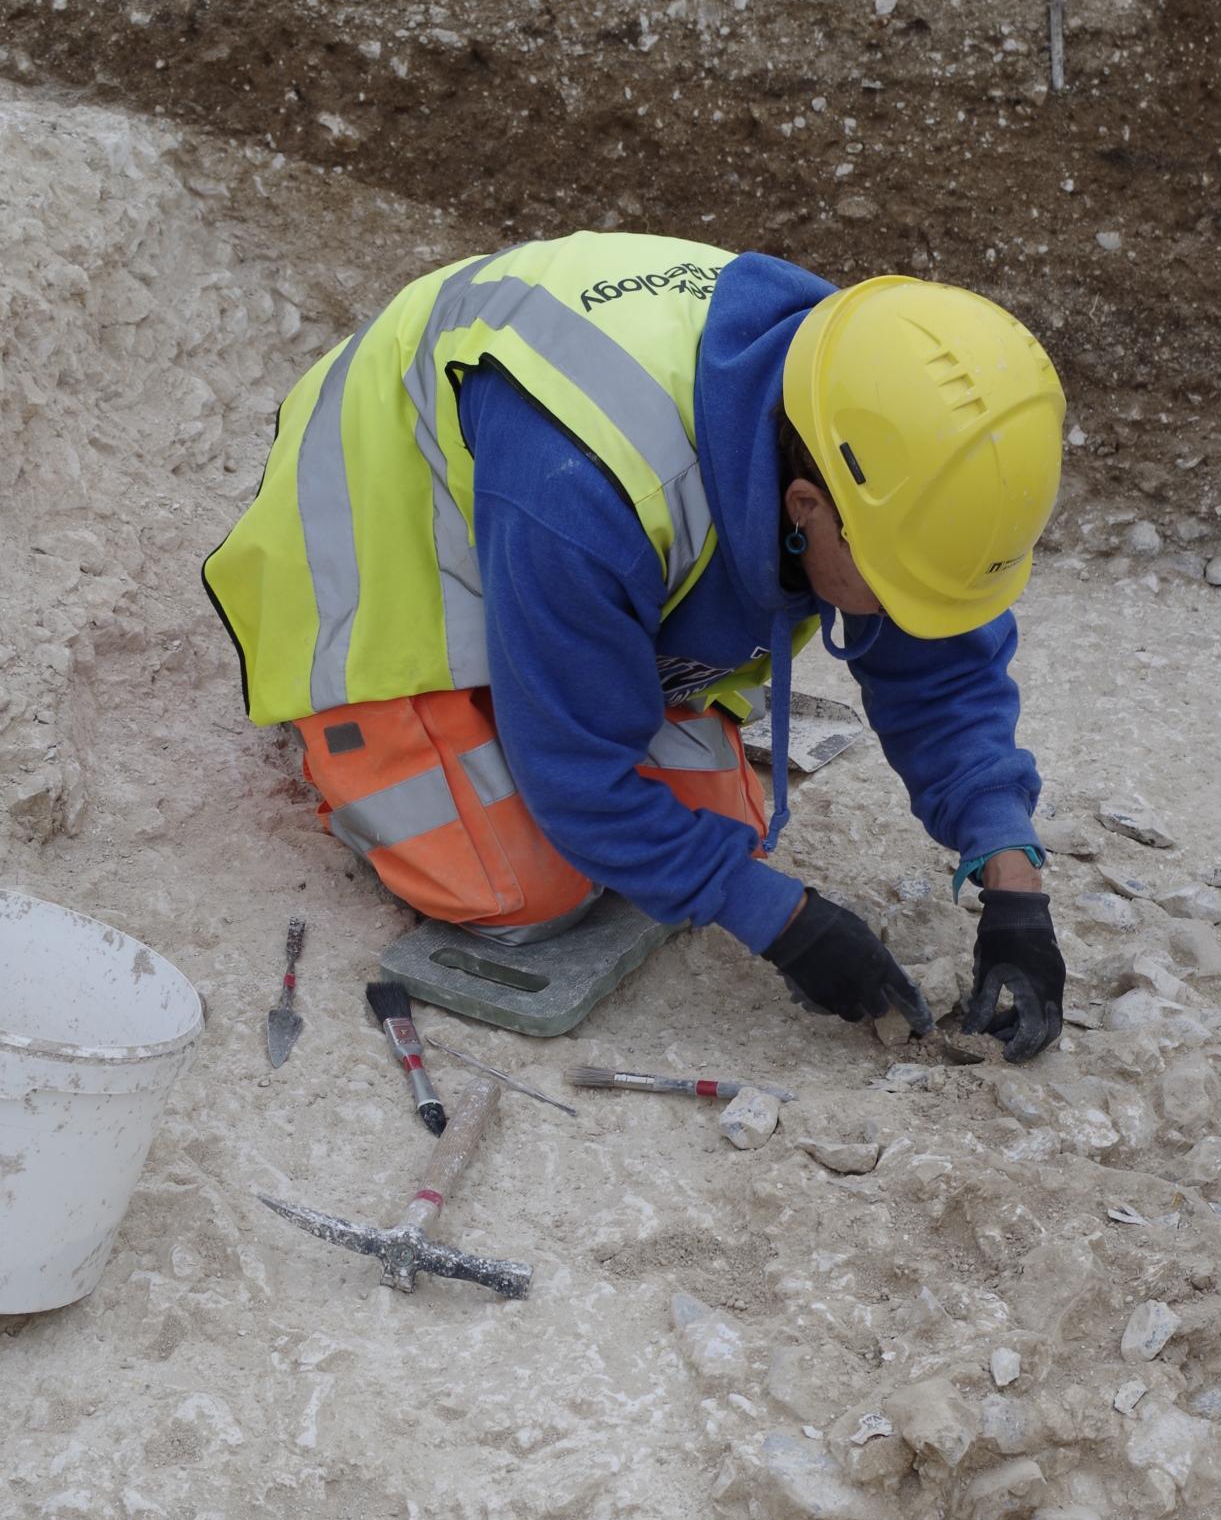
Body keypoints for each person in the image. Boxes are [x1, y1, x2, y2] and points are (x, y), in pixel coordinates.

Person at [205, 231, 1069, 1062]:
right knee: (525, 890)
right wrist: (785, 925)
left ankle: (549, 670)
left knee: (718, 833)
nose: (908, 616)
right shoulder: (586, 491)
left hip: (549, 536)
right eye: (897, 586)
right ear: (804, 508)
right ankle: (360, 731)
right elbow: (579, 781)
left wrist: (1010, 878)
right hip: (390, 546)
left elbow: (943, 667)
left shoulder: (878, 431)